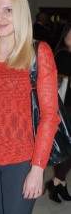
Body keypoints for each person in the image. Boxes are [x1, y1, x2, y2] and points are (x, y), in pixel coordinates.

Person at [0, 0, 60, 214]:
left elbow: (50, 117)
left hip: (22, 161)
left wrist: (37, 168)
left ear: (20, 13)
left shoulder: (38, 53)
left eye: (8, 10)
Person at [44, 23, 71, 203]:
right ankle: (58, 183)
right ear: (65, 36)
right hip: (65, 108)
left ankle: (58, 182)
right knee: (67, 147)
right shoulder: (62, 55)